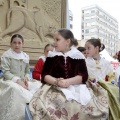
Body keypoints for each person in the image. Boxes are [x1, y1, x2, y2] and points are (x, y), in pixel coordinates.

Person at [29, 29, 108, 120]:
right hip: (55, 87)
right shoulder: (52, 56)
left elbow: (83, 75)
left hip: (77, 86)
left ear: (67, 41)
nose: (54, 42)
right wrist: (56, 81)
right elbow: (45, 75)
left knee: (86, 105)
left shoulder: (78, 55)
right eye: (54, 39)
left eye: (57, 39)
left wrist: (68, 81)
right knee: (56, 103)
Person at [0, 34, 41, 120]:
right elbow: (6, 72)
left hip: (23, 80)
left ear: (23, 44)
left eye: (19, 43)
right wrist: (18, 81)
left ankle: (35, 112)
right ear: (11, 43)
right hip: (9, 80)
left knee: (38, 85)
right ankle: (18, 116)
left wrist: (26, 77)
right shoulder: (7, 55)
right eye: (14, 43)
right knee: (15, 88)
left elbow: (27, 71)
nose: (17, 45)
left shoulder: (25, 56)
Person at [85, 38, 120, 120]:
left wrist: (103, 84)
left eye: (88, 48)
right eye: (85, 48)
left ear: (96, 48)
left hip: (104, 89)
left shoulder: (107, 63)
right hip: (89, 89)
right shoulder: (83, 62)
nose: (86, 50)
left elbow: (112, 79)